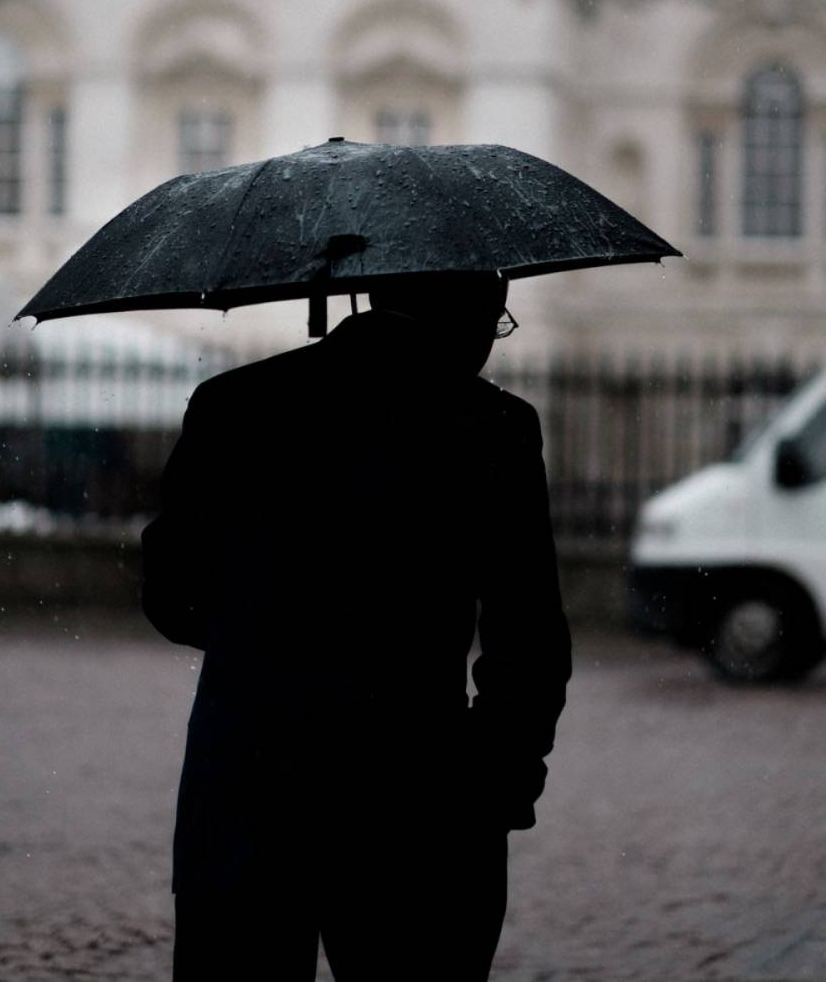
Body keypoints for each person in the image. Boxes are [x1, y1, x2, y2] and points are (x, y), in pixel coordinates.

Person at [141, 270, 572, 982]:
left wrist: (265, 634)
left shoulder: (233, 405)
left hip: (247, 786)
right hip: (417, 801)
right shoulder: (491, 426)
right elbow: (527, 638)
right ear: (473, 318)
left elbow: (171, 596)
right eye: (498, 325)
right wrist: (495, 784)